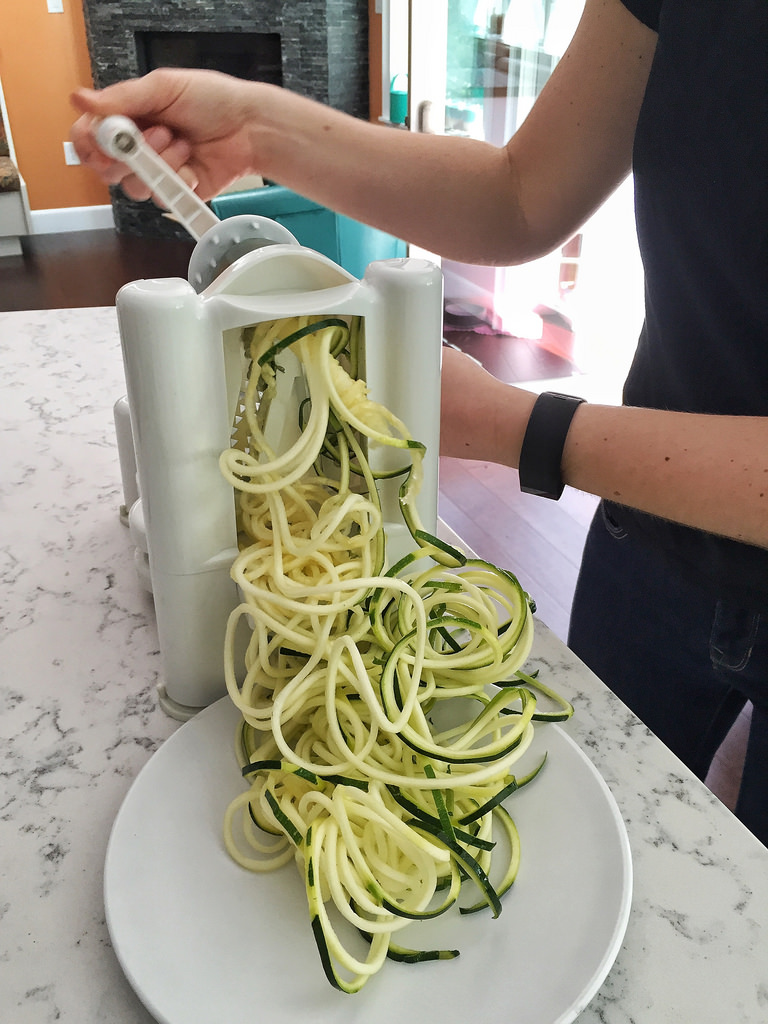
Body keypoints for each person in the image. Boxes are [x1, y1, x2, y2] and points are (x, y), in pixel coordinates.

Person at [70, 0, 768, 846]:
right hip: (646, 533)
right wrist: (256, 127)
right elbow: (520, 194)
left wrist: (518, 427)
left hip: (642, 490)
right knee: (594, 815)